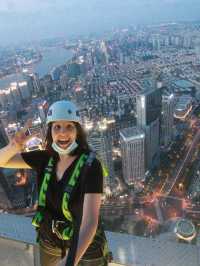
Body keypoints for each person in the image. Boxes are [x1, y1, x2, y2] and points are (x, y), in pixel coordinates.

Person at [0, 100, 111, 266]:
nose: (63, 133)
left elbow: (90, 221)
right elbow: (3, 161)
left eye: (69, 127)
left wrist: (68, 262)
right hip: (50, 242)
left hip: (84, 248)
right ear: (50, 131)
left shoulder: (91, 165)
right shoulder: (44, 158)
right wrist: (13, 147)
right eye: (57, 127)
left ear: (77, 131)